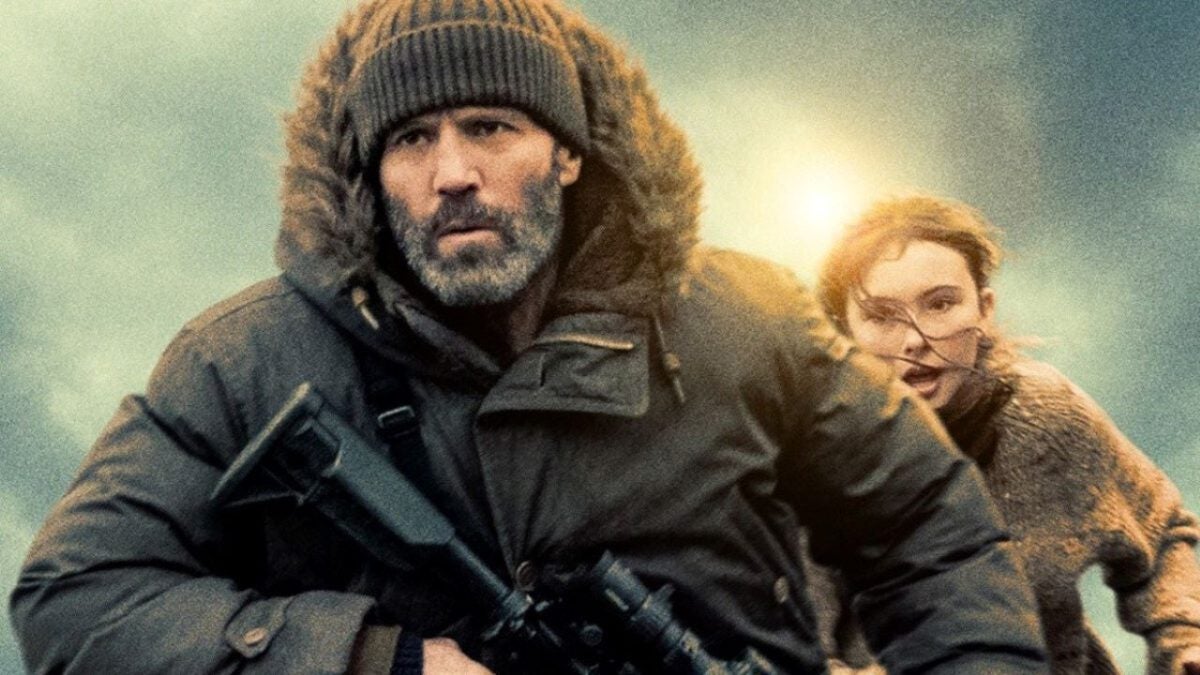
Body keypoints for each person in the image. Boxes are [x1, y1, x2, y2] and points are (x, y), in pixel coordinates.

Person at [10, 2, 1049, 673]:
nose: (452, 172)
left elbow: (931, 530)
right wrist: (378, 661)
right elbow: (78, 597)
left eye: (490, 127)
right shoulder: (242, 359)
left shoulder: (745, 315)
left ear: (568, 153)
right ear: (372, 177)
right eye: (411, 139)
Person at [813, 194, 1200, 674]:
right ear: (846, 331)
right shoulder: (813, 466)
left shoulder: (1049, 418)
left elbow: (1160, 533)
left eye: (940, 304)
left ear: (984, 309)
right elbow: (775, 643)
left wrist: (1184, 641)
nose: (914, 340)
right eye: (881, 316)